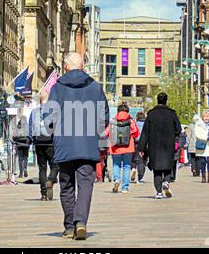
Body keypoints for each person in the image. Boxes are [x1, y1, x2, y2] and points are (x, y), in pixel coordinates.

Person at [45, 52, 109, 240]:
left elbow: (49, 116)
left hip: (64, 144)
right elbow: (103, 116)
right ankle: (80, 222)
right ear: (83, 66)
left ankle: (69, 226)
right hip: (87, 144)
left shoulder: (57, 88)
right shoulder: (96, 88)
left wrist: (54, 130)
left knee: (66, 185)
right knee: (86, 184)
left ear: (65, 67)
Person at [137, 93, 181, 199]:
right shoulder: (172, 114)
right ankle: (166, 181)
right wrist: (172, 135)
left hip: (154, 145)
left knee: (157, 169)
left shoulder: (151, 114)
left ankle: (159, 193)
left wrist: (141, 147)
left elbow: (145, 132)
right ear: (166, 100)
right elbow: (178, 129)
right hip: (168, 144)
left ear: (157, 100)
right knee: (167, 166)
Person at [29, 91, 59, 201]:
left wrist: (33, 139)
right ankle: (50, 180)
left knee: (42, 168)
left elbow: (30, 127)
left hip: (39, 142)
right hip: (50, 142)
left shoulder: (34, 112)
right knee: (55, 166)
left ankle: (43, 194)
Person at [104, 103, 139, 193]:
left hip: (115, 147)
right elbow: (136, 133)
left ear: (118, 111)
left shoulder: (112, 120)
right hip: (128, 147)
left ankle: (116, 180)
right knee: (127, 166)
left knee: (116, 165)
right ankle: (124, 188)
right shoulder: (131, 121)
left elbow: (106, 133)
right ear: (128, 111)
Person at [195, 111, 209, 183]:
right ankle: (203, 177)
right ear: (202, 117)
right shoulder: (198, 124)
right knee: (202, 161)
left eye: (208, 117)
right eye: (205, 117)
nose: (206, 118)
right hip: (202, 143)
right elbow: (197, 133)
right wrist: (205, 138)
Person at [11, 107, 31, 178]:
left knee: (20, 159)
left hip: (19, 144)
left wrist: (15, 141)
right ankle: (25, 168)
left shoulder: (17, 126)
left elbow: (14, 136)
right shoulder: (27, 126)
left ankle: (21, 173)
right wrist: (29, 142)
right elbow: (30, 135)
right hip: (26, 143)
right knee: (25, 158)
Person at [131, 112, 146, 183]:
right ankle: (140, 177)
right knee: (143, 161)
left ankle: (133, 168)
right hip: (146, 144)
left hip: (135, 143)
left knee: (134, 158)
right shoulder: (147, 124)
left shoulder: (134, 123)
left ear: (137, 117)